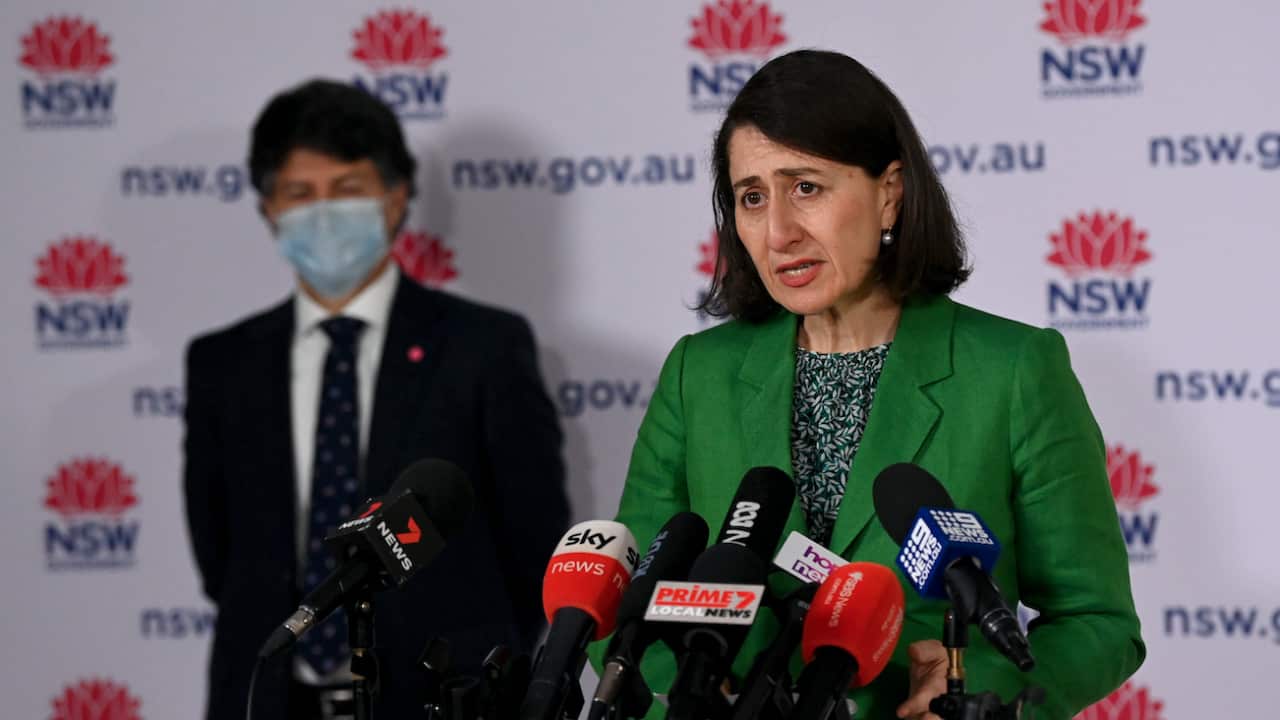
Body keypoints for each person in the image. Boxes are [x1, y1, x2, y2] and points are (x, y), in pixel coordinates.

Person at [608, 50, 1144, 720]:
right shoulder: (699, 373)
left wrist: (975, 688)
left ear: (889, 192)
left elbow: (1096, 621)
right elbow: (626, 605)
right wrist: (691, 696)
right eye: (752, 197)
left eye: (806, 188)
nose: (778, 232)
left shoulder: (1013, 369)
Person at [182, 79, 570, 720]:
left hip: (440, 698)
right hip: (268, 698)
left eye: (347, 188)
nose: (323, 212)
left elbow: (534, 541)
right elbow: (219, 554)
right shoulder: (223, 363)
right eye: (299, 193)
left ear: (394, 198)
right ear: (268, 209)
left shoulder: (484, 346)